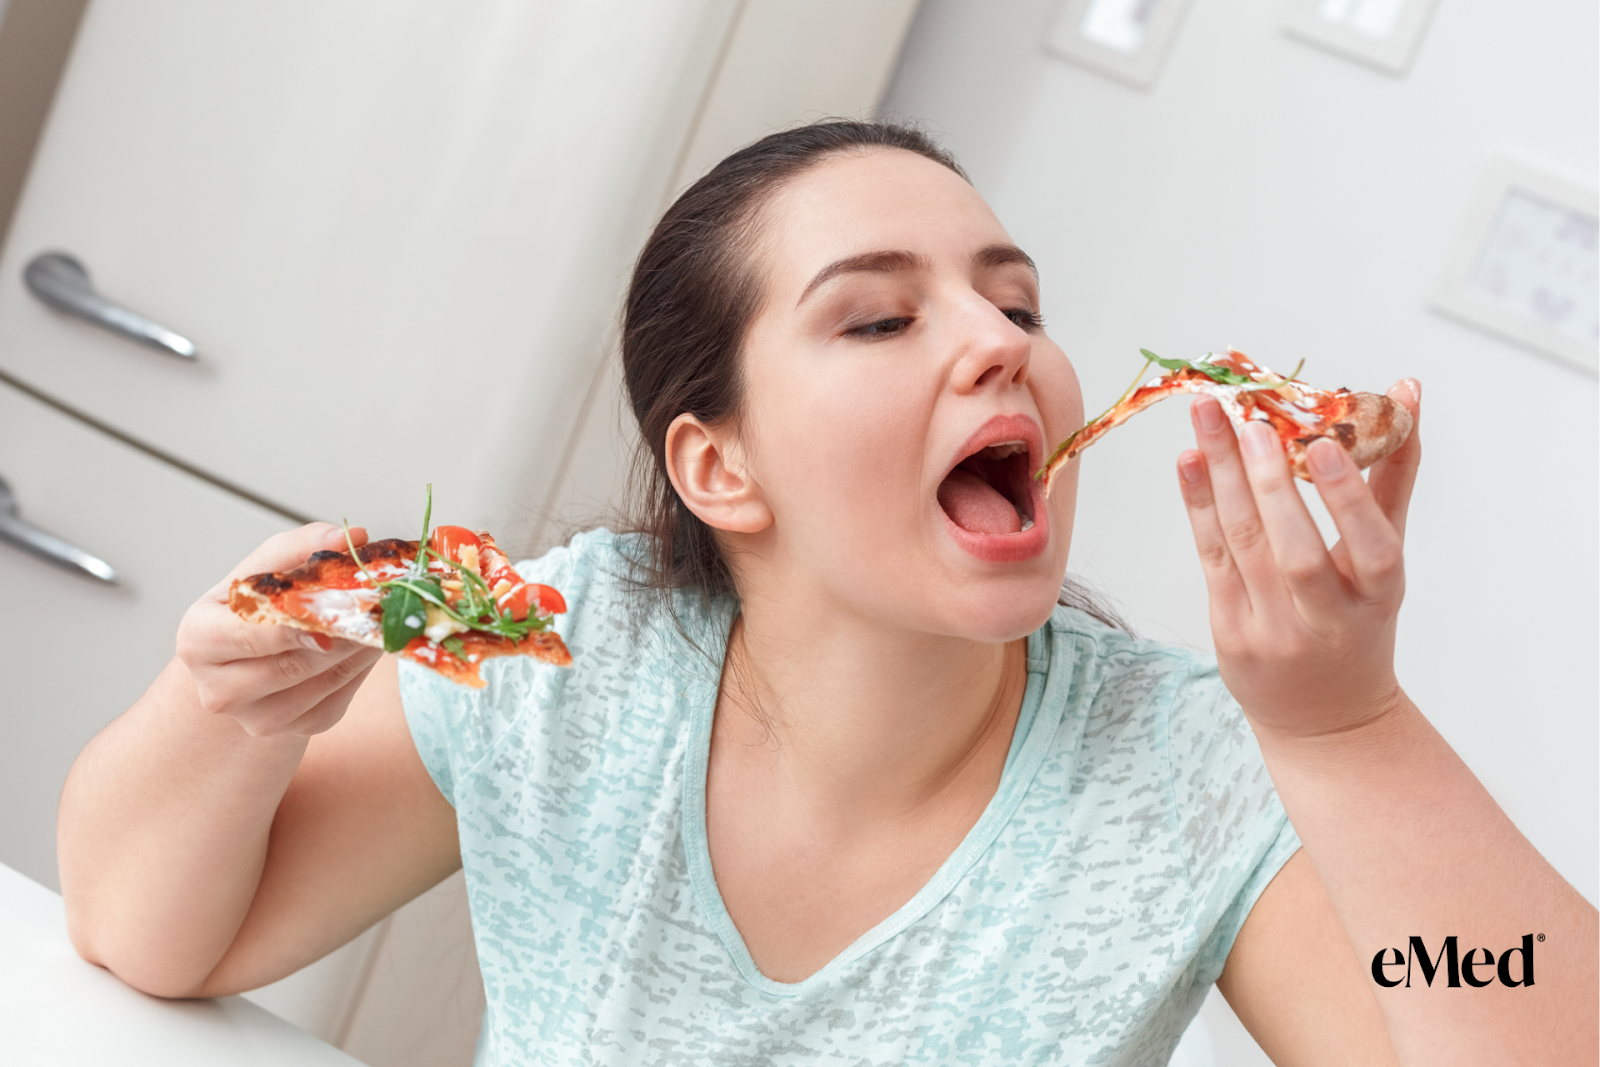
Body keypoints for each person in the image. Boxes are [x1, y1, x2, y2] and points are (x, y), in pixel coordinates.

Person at [57, 121, 1595, 1065]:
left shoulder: (1185, 776)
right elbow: (149, 930)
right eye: (877, 318)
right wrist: (219, 709)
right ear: (719, 468)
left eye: (1016, 300)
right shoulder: (570, 652)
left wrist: (1347, 728)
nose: (1000, 341)